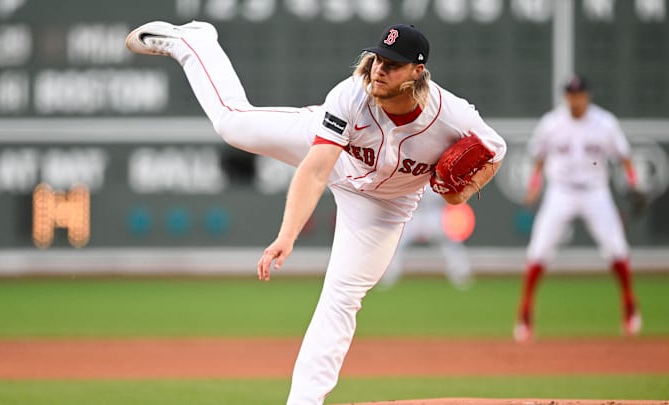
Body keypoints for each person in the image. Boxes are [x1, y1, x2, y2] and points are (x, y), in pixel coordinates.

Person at [126, 21, 506, 404]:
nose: (379, 68)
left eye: (393, 64)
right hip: (331, 152)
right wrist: (287, 235)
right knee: (232, 124)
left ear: (417, 72)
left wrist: (465, 190)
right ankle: (195, 43)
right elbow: (316, 169)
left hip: (384, 205)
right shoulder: (351, 96)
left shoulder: (450, 116)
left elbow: (497, 148)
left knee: (342, 297)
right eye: (378, 58)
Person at [513, 75, 642, 343]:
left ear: (588, 96)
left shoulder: (605, 123)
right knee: (538, 251)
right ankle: (524, 315)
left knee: (617, 250)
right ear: (565, 97)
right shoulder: (551, 123)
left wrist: (633, 183)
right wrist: (534, 186)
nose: (575, 99)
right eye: (570, 95)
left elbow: (624, 156)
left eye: (579, 94)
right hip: (560, 192)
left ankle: (630, 308)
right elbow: (539, 159)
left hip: (596, 192)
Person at [379, 190, 473, 289]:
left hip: (435, 215)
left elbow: (450, 196)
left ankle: (461, 274)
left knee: (451, 243)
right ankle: (387, 276)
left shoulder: (438, 177)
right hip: (413, 215)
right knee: (395, 243)